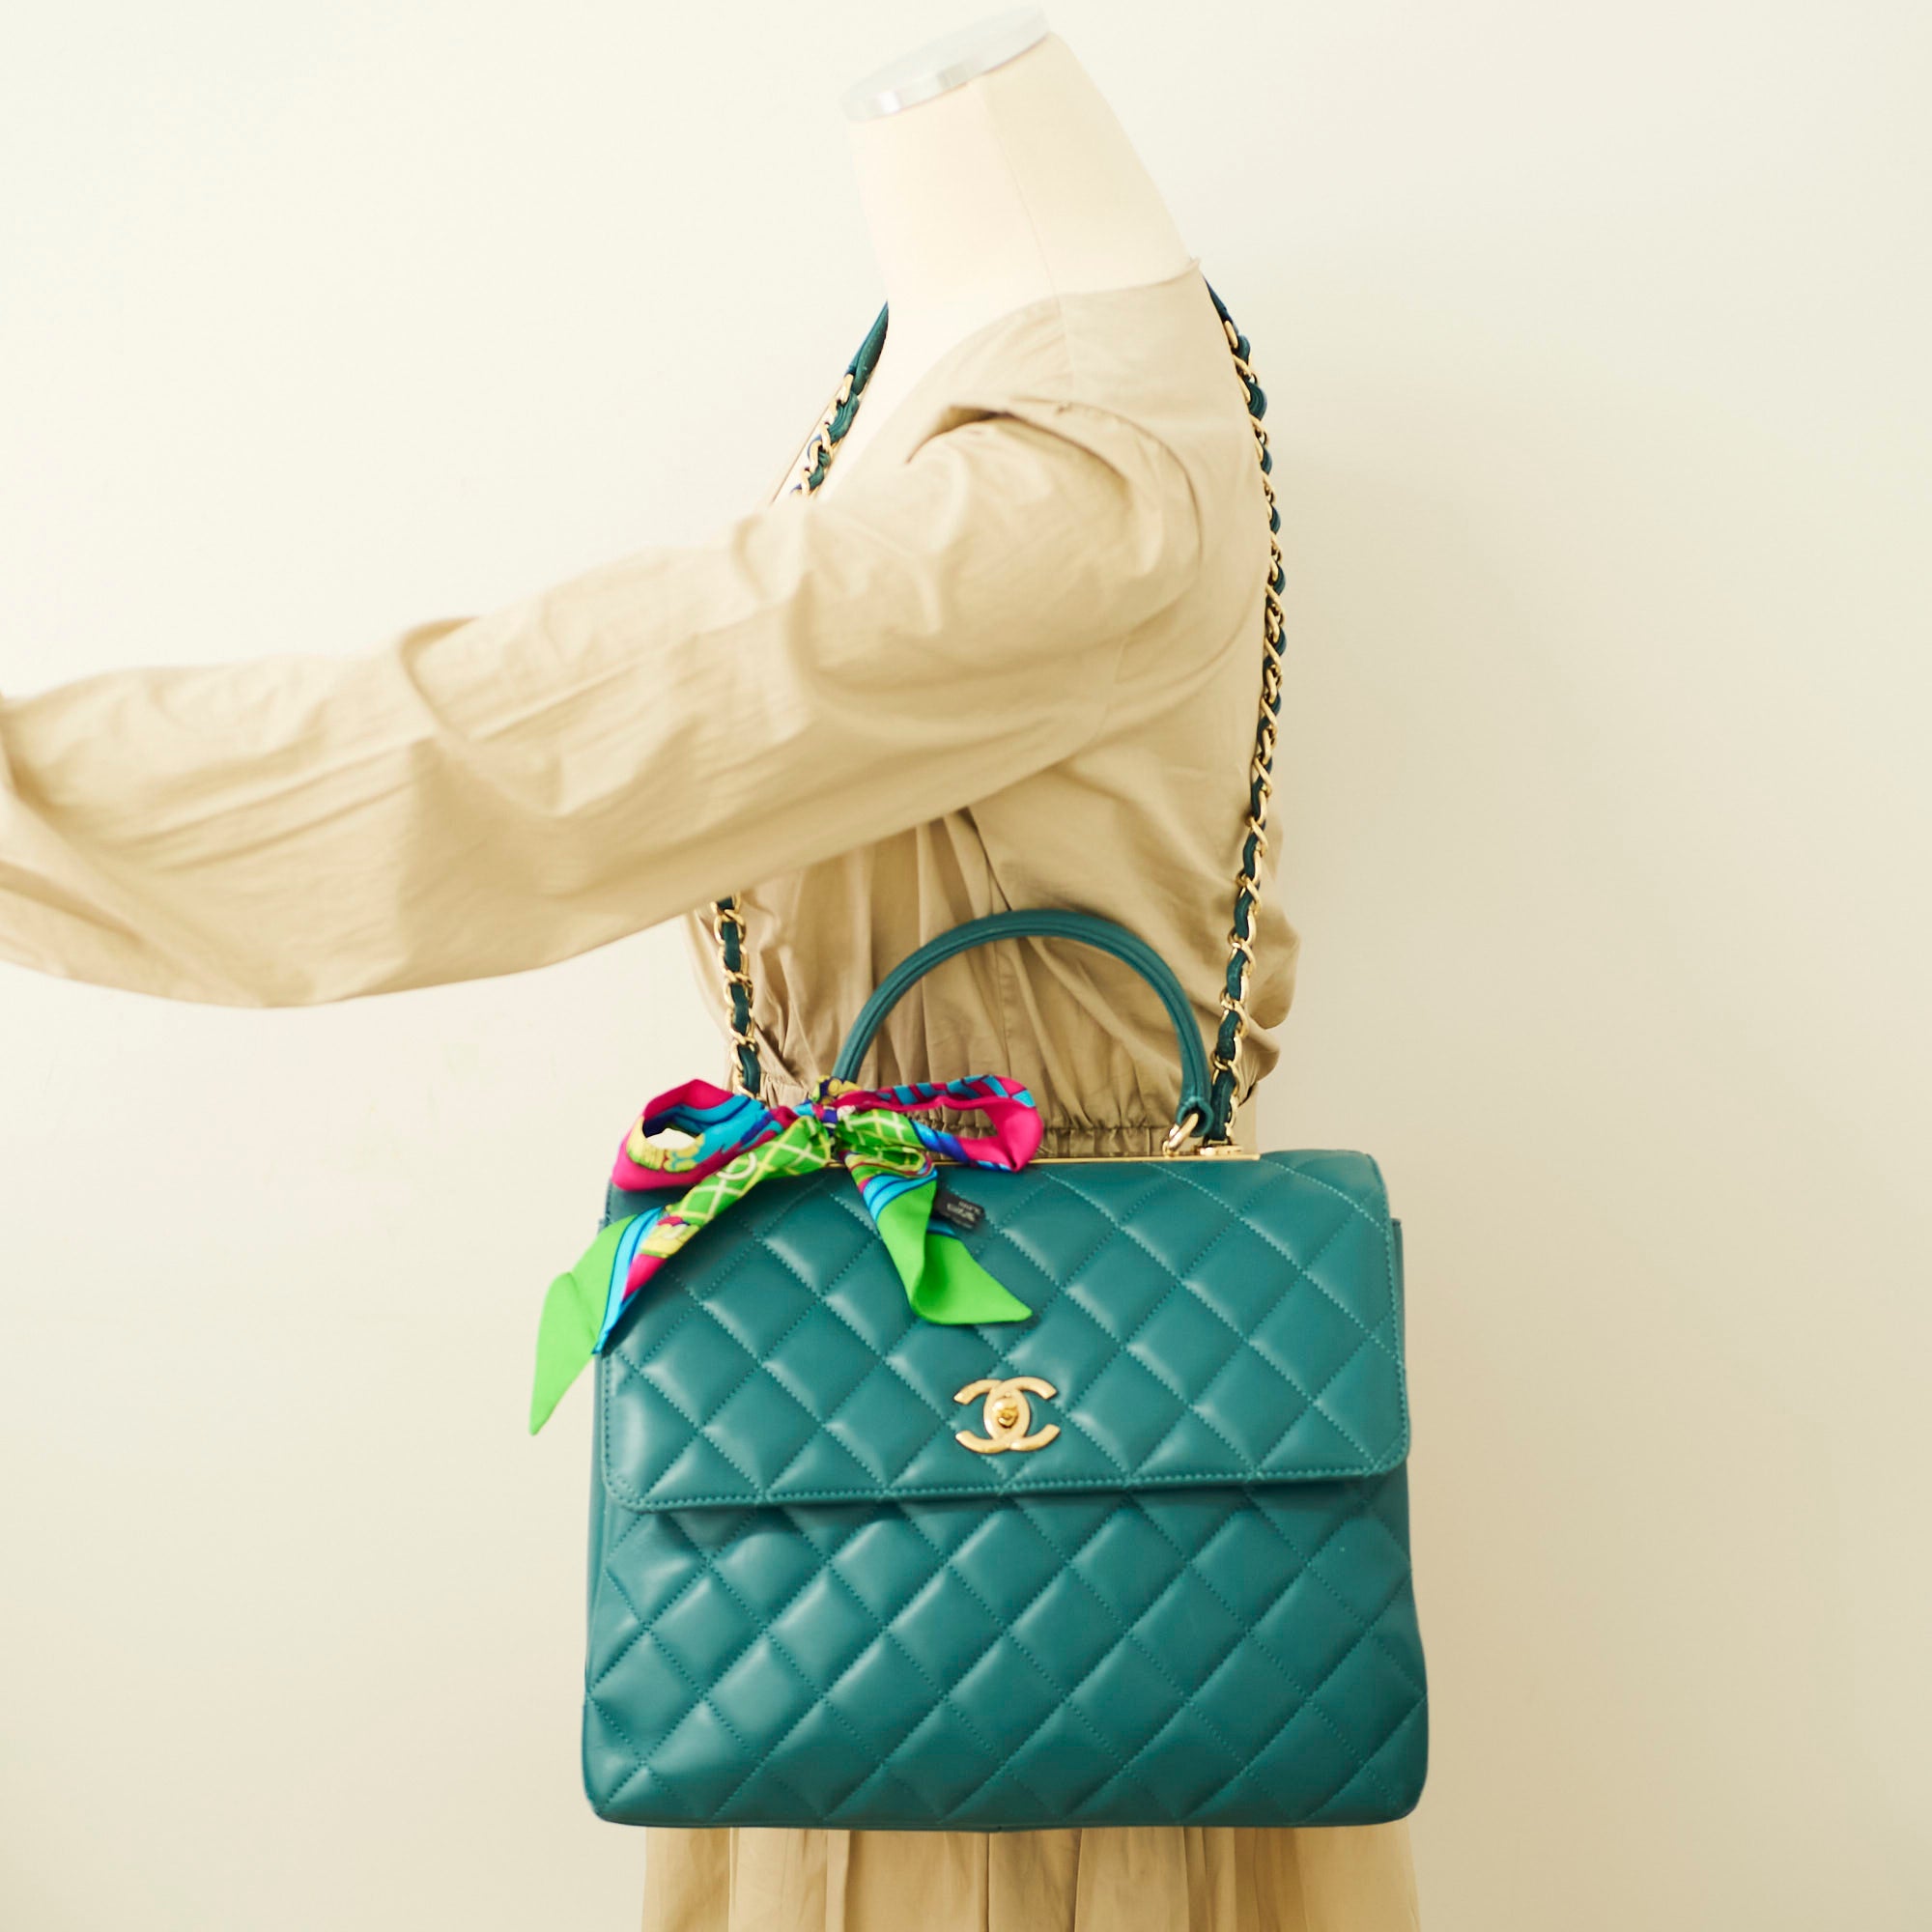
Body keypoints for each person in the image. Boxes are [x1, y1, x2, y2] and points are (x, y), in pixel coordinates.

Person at [0, 24, 1422, 1932]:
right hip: (965, 1358)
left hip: (1035, 1411)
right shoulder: (1003, 370)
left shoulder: (1071, 495)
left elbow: (517, 746)